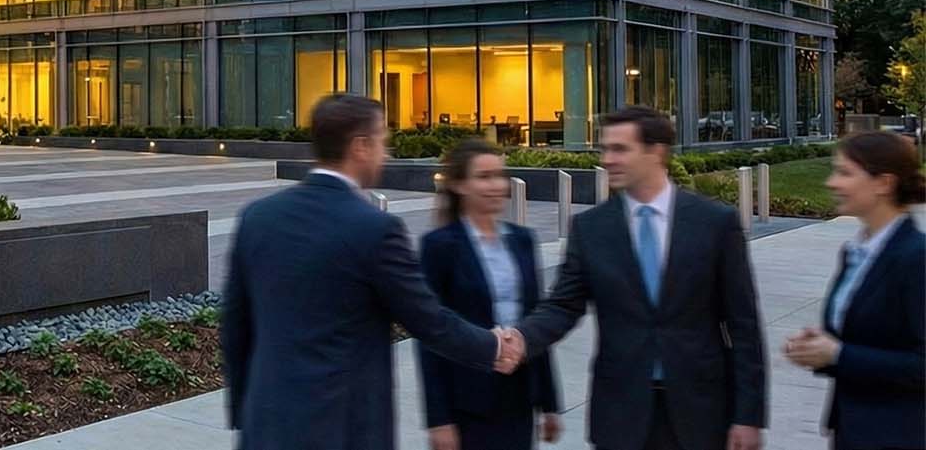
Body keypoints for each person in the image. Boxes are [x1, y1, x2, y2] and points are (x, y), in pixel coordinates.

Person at [222, 95, 521, 450]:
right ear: (360, 147)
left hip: (266, 427)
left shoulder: (257, 217)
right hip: (343, 430)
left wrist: (247, 414)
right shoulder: (375, 229)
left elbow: (235, 327)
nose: (387, 153)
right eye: (382, 141)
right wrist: (492, 345)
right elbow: (428, 319)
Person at [515, 106, 766, 450]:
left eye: (620, 149)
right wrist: (521, 339)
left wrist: (748, 415)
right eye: (605, 149)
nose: (607, 159)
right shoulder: (591, 228)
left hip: (700, 411)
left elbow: (744, 326)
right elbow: (563, 305)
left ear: (656, 151)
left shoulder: (715, 224)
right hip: (621, 412)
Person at [781, 131, 924, 450]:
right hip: (851, 430)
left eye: (845, 173)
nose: (832, 183)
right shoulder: (856, 253)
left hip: (900, 435)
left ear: (883, 183)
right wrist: (819, 349)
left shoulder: (916, 258)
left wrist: (839, 353)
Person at [419, 140, 563, 450]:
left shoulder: (523, 240)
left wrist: (550, 403)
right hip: (467, 399)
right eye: (483, 177)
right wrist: (438, 418)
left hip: (519, 395)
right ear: (459, 184)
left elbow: (535, 321)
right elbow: (430, 334)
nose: (496, 185)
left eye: (499, 175)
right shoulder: (439, 246)